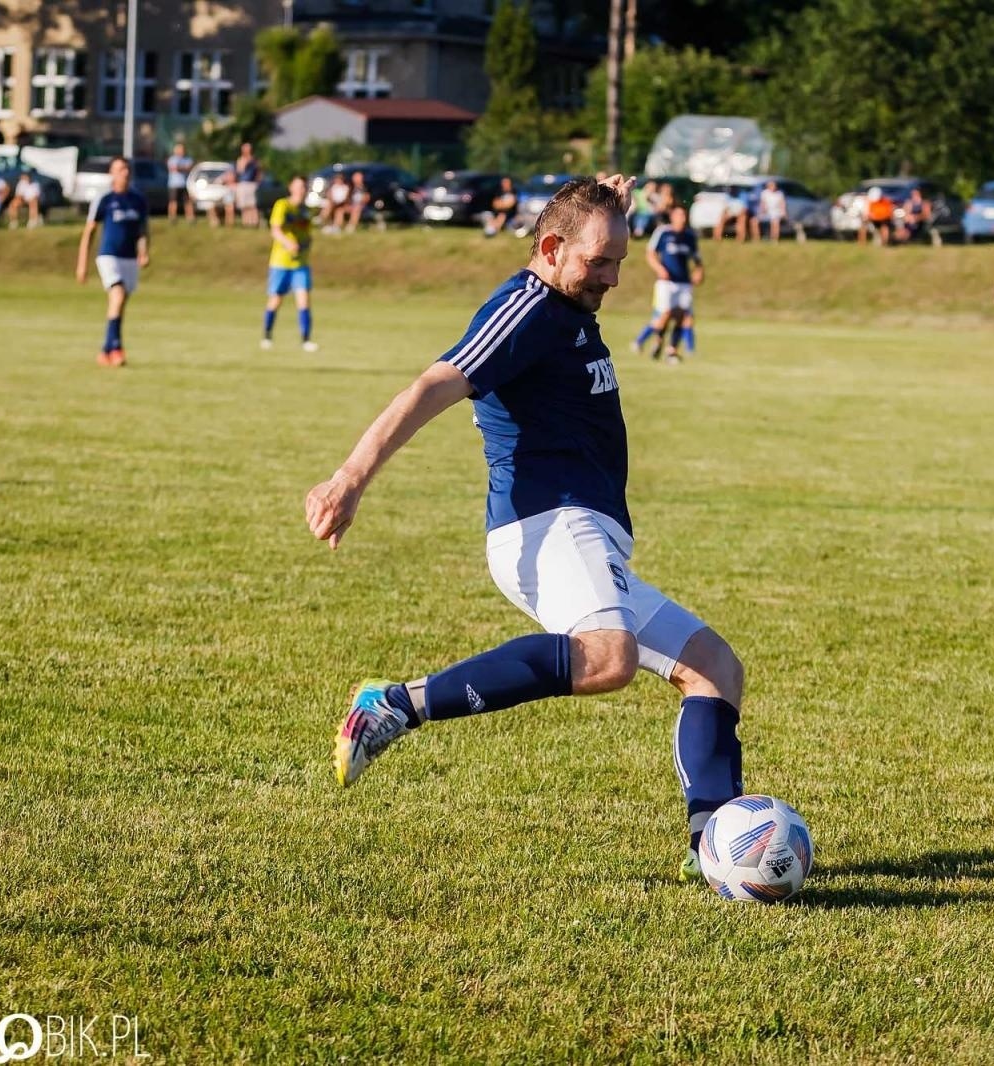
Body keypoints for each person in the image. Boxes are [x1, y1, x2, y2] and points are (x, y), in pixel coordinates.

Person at [304, 176, 748, 884]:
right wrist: (349, 478)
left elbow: (581, 221)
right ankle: (395, 706)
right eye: (598, 262)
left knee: (715, 670)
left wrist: (603, 202)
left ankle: (716, 847)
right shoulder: (526, 309)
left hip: (588, 530)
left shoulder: (565, 295)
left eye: (618, 262)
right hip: (547, 523)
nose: (611, 279)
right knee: (607, 659)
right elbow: (432, 386)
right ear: (550, 249)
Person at [75, 157, 150, 368]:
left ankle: (106, 350)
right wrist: (82, 264)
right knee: (117, 295)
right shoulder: (105, 199)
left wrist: (144, 252)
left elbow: (143, 231)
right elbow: (89, 232)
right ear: (112, 173)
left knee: (119, 304)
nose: (124, 173)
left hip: (129, 257)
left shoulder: (138, 200)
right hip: (109, 256)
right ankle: (116, 349)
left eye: (126, 169)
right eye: (120, 169)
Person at [632, 204, 703, 363]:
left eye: (684, 216)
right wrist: (659, 268)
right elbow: (650, 253)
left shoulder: (689, 236)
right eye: (679, 215)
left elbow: (697, 259)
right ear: (673, 217)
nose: (683, 219)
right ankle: (650, 341)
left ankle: (672, 351)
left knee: (684, 316)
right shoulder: (663, 232)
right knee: (665, 315)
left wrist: (699, 271)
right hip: (666, 283)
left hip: (684, 283)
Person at [261, 174, 317, 353]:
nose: (301, 190)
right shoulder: (282, 205)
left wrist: (305, 244)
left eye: (304, 187)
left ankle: (306, 340)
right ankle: (267, 335)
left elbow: (308, 235)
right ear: (291, 187)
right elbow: (275, 230)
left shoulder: (306, 211)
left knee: (304, 301)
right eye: (298, 186)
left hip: (300, 263)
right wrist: (288, 243)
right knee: (276, 300)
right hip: (281, 262)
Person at [233, 142, 260, 228]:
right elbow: (240, 170)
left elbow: (258, 172)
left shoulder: (254, 160)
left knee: (252, 204)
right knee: (244, 205)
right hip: (243, 183)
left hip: (251, 184)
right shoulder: (241, 159)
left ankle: (254, 222)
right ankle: (246, 222)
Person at [166, 142, 194, 224]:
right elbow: (173, 168)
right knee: (173, 201)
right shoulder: (172, 159)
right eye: (179, 149)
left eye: (182, 149)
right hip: (174, 184)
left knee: (188, 201)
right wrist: (183, 168)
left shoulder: (188, 159)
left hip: (185, 184)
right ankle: (172, 218)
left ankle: (190, 218)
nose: (181, 151)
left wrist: (180, 168)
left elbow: (189, 167)